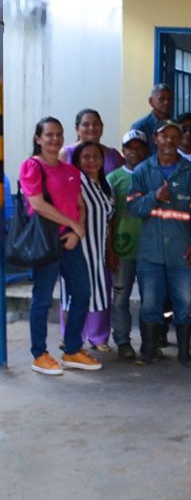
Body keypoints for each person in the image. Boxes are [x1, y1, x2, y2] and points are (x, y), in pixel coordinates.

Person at [19, 118, 102, 376]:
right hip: (46, 240)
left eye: (58, 134)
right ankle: (39, 354)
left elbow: (80, 204)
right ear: (38, 139)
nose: (54, 139)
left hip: (70, 241)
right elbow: (38, 204)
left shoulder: (70, 170)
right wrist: (74, 226)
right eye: (49, 135)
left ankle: (72, 349)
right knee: (42, 299)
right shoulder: (32, 166)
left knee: (82, 292)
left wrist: (78, 231)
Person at [127, 119, 191, 366]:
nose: (169, 140)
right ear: (155, 139)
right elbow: (133, 206)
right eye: (164, 136)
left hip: (182, 250)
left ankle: (184, 352)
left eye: (175, 136)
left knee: (185, 302)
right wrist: (153, 197)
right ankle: (149, 349)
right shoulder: (142, 171)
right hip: (150, 250)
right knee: (150, 302)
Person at [63, 142, 116, 353]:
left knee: (99, 293)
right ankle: (72, 341)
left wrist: (110, 249)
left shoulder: (105, 185)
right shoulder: (74, 182)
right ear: (77, 160)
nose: (92, 161)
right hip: (78, 248)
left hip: (99, 248)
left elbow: (110, 220)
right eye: (86, 157)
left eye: (96, 156)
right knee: (75, 295)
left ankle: (95, 338)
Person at [106, 129, 150, 360]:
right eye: (130, 148)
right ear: (123, 152)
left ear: (146, 150)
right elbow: (109, 217)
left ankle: (149, 341)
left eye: (139, 147)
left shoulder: (153, 175)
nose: (135, 152)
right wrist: (110, 248)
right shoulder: (113, 178)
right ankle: (122, 340)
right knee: (121, 297)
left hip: (149, 248)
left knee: (150, 297)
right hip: (122, 248)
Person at [61, 109, 122, 174]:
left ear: (102, 127)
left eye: (96, 124)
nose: (91, 128)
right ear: (77, 129)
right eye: (86, 125)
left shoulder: (113, 155)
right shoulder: (65, 154)